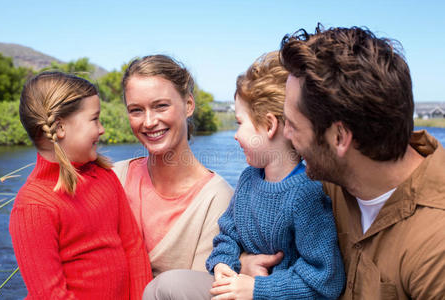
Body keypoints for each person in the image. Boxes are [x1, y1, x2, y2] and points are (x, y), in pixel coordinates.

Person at [144, 51, 345, 300]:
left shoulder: (306, 194)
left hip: (267, 294)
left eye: (240, 123)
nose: (235, 135)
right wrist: (224, 266)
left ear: (269, 126)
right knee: (160, 288)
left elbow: (326, 281)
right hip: (237, 288)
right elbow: (228, 235)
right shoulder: (249, 179)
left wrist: (256, 289)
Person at [276, 25, 445, 299]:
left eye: (293, 125)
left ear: (340, 137)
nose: (285, 135)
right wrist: (245, 260)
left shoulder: (436, 245)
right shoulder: (331, 177)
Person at [9, 71, 152, 299]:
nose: (102, 129)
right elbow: (50, 294)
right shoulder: (33, 207)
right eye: (95, 119)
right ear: (60, 128)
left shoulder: (104, 176)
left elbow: (133, 247)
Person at [114, 55, 233, 277]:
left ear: (188, 105)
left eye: (160, 106)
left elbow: (197, 290)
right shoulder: (114, 178)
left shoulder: (217, 199)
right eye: (136, 110)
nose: (148, 122)